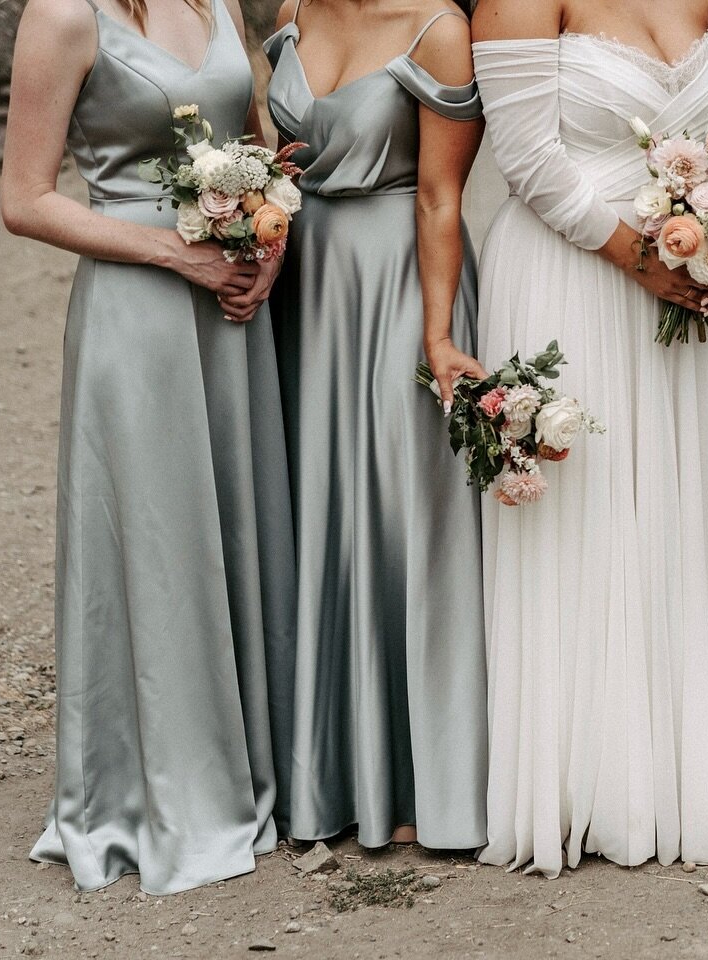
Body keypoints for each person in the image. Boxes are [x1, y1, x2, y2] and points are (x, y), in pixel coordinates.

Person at [471, 0, 708, 877]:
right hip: (573, 272)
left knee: (684, 523)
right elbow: (527, 157)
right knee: (587, 519)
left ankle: (686, 781)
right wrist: (641, 259)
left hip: (689, 282)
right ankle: (584, 784)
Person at [2, 0, 296, 892]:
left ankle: (247, 760)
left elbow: (263, 144)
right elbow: (24, 200)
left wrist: (269, 249)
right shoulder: (61, 14)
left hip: (231, 308)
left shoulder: (212, 3)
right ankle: (152, 787)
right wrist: (174, 256)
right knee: (161, 543)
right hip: (138, 309)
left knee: (237, 528)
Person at [264, 0, 488, 850]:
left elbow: (440, 197)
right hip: (302, 286)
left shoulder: (438, 28)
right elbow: (275, 150)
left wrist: (436, 333)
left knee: (404, 518)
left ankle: (422, 778)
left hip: (399, 282)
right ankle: (325, 769)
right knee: (314, 508)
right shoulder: (294, 8)